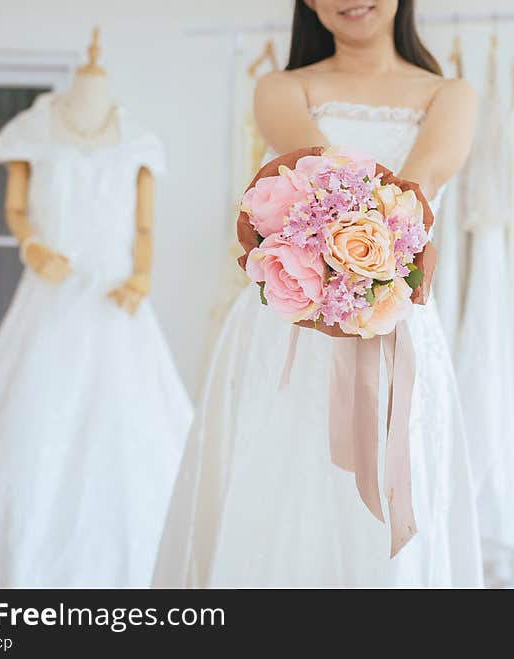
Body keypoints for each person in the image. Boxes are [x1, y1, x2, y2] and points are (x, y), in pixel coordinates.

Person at [154, 0, 482, 587]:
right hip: (286, 325)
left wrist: (374, 271)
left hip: (394, 323)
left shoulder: (450, 94)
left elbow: (418, 187)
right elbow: (322, 179)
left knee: (388, 489)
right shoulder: (281, 87)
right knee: (277, 480)